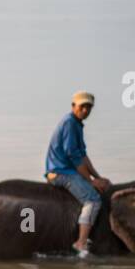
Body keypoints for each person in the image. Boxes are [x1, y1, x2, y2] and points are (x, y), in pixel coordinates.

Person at [45, 90, 111, 257]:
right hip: (60, 172)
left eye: (89, 107)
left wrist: (97, 177)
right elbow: (74, 157)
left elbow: (83, 155)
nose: (85, 110)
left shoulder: (77, 124)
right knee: (93, 200)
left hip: (69, 170)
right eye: (82, 106)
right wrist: (91, 181)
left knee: (95, 189)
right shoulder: (69, 123)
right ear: (73, 106)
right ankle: (80, 243)